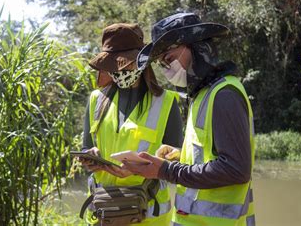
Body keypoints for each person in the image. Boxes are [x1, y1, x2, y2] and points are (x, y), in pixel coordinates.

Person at [123, 13, 256, 226]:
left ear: (196, 48)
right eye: (161, 64)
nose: (167, 69)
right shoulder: (201, 95)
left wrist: (165, 170)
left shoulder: (224, 95)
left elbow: (235, 169)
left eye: (169, 58)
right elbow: (209, 156)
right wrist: (179, 158)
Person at [79, 23, 183, 225]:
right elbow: (86, 146)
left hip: (150, 217)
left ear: (141, 62)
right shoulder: (95, 100)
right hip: (104, 213)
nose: (119, 71)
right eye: (112, 66)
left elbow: (178, 158)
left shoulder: (166, 102)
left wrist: (143, 167)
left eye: (125, 64)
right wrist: (89, 157)